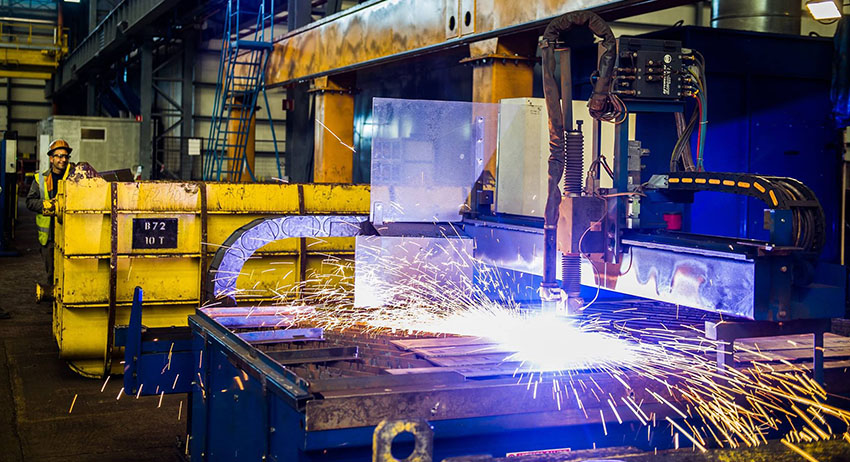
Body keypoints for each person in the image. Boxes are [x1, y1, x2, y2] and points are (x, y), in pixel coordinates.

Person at [26, 139, 75, 295]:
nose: (63, 160)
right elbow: (30, 202)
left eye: (65, 156)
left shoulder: (75, 178)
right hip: (49, 237)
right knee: (52, 273)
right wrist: (50, 206)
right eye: (59, 156)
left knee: (71, 271)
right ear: (51, 158)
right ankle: (55, 302)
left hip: (70, 234)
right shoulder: (40, 179)